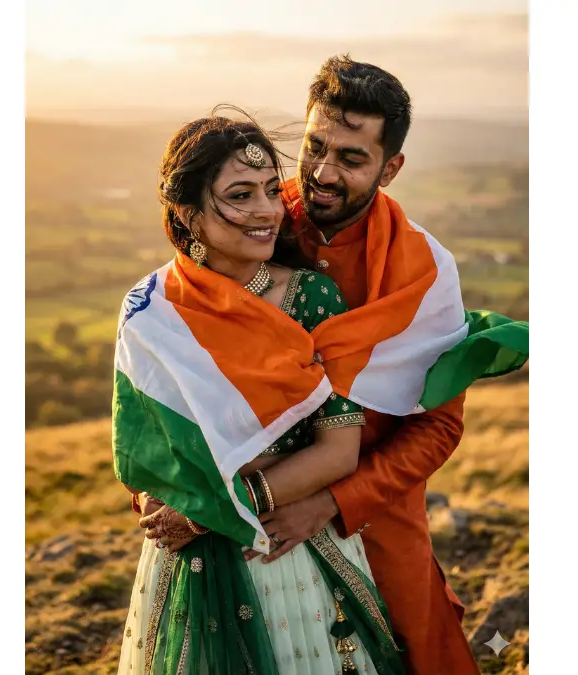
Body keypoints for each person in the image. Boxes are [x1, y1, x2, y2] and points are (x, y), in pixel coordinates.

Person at [141, 55, 520, 674]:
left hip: (370, 513)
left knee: (416, 654)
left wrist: (334, 501)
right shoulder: (257, 219)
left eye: (351, 158)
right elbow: (181, 358)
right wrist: (170, 492)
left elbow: (439, 426)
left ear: (390, 168)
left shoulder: (423, 273)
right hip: (238, 517)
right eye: (315, 145)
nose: (320, 171)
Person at [114, 112, 406, 675]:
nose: (269, 211)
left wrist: (209, 508)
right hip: (189, 559)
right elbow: (146, 455)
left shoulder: (311, 299)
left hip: (284, 548)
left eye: (274, 190)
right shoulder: (153, 312)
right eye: (240, 195)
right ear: (187, 212)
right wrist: (174, 498)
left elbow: (339, 451)